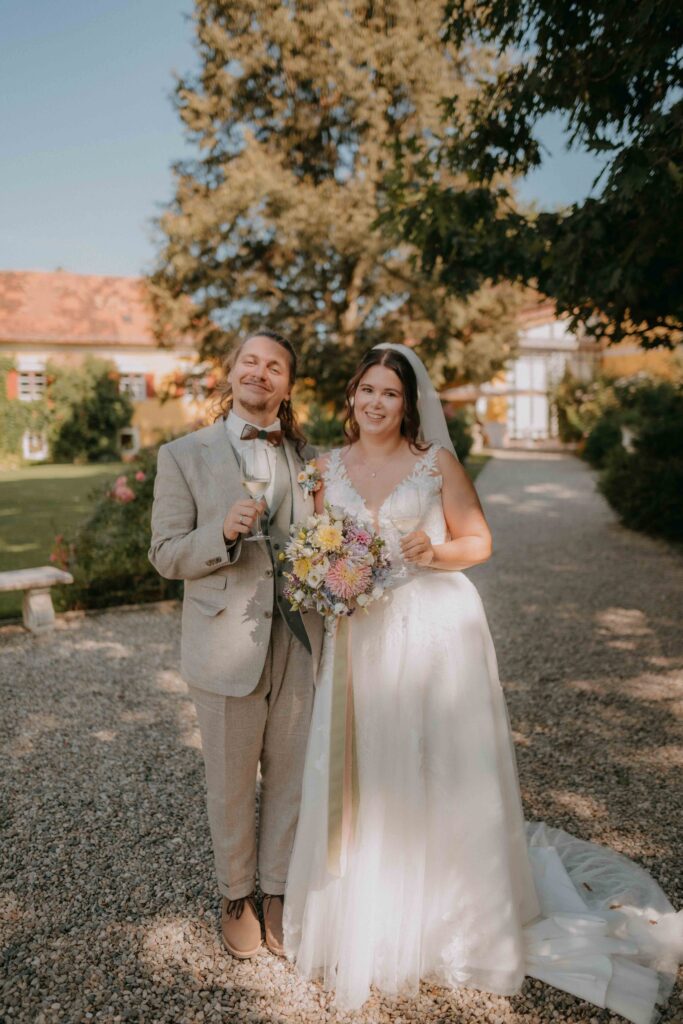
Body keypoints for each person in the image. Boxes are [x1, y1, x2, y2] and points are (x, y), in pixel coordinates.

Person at [283, 344, 682, 1022]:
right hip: (361, 638)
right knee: (368, 767)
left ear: (407, 404)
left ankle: (450, 919)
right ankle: (369, 917)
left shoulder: (434, 462)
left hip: (433, 632)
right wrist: (324, 578)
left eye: (390, 393)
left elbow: (479, 542)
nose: (376, 402)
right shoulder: (323, 470)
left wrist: (435, 551)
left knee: (438, 766)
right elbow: (314, 549)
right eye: (367, 389)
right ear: (351, 396)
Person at [149, 330, 323, 961]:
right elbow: (165, 553)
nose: (260, 372)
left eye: (274, 366)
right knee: (229, 782)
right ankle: (234, 894)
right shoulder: (182, 455)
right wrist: (220, 532)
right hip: (224, 642)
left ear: (288, 385)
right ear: (230, 372)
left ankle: (276, 888)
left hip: (302, 639)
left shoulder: (312, 459)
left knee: (291, 775)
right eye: (250, 361)